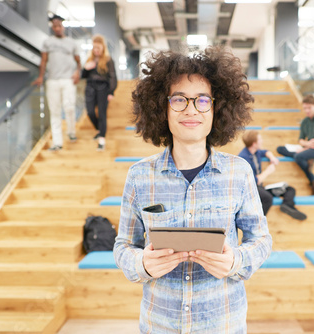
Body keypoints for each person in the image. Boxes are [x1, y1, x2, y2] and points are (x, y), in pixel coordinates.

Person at [114, 47, 272, 333]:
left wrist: (236, 260)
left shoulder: (239, 172)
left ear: (217, 108)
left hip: (223, 324)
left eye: (202, 100)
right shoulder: (139, 176)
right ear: (162, 107)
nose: (190, 109)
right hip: (159, 324)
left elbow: (260, 239)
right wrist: (142, 264)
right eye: (179, 99)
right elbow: (123, 246)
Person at [32, 14, 81, 151]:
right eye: (55, 26)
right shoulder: (47, 42)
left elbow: (78, 61)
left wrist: (77, 73)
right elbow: (43, 61)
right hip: (52, 80)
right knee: (55, 111)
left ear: (63, 26)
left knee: (69, 107)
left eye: (59, 25)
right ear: (52, 28)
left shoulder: (71, 43)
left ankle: (71, 132)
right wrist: (41, 76)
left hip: (68, 80)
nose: (57, 28)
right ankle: (57, 142)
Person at [239, 130, 307, 220]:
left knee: (289, 189)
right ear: (254, 143)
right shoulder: (244, 158)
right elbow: (253, 181)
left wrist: (272, 157)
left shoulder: (256, 152)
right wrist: (268, 171)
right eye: (260, 139)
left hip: (260, 187)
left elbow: (265, 151)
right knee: (267, 198)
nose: (262, 141)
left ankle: (287, 205)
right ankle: (257, 223)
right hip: (251, 189)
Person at [276, 95, 314, 195]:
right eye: (305, 108)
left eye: (309, 108)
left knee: (298, 156)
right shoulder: (305, 121)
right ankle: (309, 163)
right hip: (307, 148)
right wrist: (307, 144)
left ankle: (313, 180)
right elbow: (300, 140)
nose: (307, 110)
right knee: (280, 149)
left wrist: (306, 148)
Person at [81, 34, 117, 151]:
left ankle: (102, 139)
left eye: (98, 48)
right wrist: (86, 68)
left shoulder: (108, 60)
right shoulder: (89, 60)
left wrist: (111, 91)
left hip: (103, 89)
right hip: (90, 88)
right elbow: (83, 76)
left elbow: (112, 77)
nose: (96, 51)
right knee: (90, 112)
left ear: (102, 48)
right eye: (94, 48)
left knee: (102, 114)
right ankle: (99, 130)